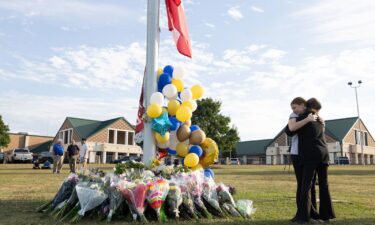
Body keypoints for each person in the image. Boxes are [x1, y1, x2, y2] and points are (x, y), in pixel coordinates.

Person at [291, 98, 336, 223]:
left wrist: (299, 119)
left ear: (305, 106)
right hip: (324, 153)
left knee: (306, 186)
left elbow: (289, 130)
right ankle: (326, 215)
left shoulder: (302, 119)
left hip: (310, 155)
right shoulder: (320, 121)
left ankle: (304, 217)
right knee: (324, 184)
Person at [285, 97, 319, 222]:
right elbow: (292, 128)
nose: (294, 110)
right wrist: (307, 119)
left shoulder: (312, 114)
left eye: (295, 107)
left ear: (302, 105)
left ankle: (313, 213)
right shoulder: (294, 115)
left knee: (311, 186)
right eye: (292, 108)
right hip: (297, 153)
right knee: (303, 185)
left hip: (310, 154)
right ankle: (302, 214)